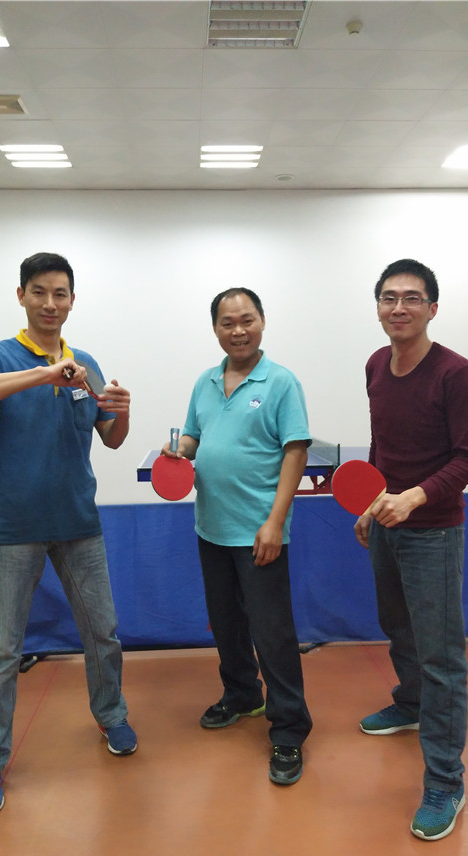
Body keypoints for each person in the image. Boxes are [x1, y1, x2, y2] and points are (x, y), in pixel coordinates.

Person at [0, 252, 137, 816]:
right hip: (14, 528)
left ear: (72, 300)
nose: (50, 303)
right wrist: (44, 373)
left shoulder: (87, 364)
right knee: (2, 649)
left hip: (79, 524)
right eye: (39, 292)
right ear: (22, 296)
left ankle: (112, 716)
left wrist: (122, 410)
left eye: (60, 293)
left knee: (103, 632)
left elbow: (112, 437)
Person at [354, 258, 468, 841]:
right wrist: (373, 500)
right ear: (378, 307)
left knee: (441, 658)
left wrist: (414, 498)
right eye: (389, 297)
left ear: (432, 308)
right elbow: (382, 443)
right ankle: (410, 704)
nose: (399, 307)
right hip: (387, 523)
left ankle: (446, 781)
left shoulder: (457, 375)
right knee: (398, 628)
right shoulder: (375, 365)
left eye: (411, 298)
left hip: (433, 531)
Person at [162, 287, 312, 784]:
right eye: (227, 322)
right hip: (212, 528)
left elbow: (295, 452)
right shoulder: (205, 382)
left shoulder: (281, 382)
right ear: (216, 329)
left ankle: (289, 729)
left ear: (262, 322)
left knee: (272, 633)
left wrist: (275, 522)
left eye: (247, 319)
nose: (238, 330)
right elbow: (194, 436)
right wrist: (178, 450)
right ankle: (243, 694)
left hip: (258, 532)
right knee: (226, 624)